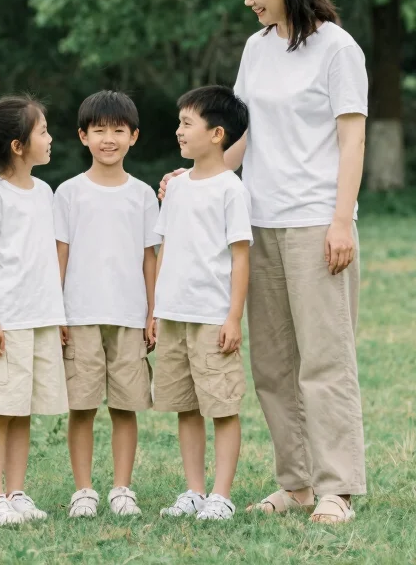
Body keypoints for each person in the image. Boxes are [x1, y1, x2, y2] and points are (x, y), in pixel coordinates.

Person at [160, 0, 368, 525]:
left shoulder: (338, 49)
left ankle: (336, 486)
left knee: (324, 360)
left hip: (315, 223)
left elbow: (352, 139)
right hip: (258, 221)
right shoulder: (256, 49)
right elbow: (244, 137)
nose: (249, 0)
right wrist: (198, 178)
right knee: (272, 365)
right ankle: (296, 482)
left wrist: (340, 221)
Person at [0, 96, 68, 526]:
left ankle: (16, 492)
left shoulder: (45, 192)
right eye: (43, 131)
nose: (50, 138)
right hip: (4, 324)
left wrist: (56, 318)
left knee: (23, 411)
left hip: (39, 321)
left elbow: (44, 260)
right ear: (19, 146)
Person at [54, 91, 159, 520]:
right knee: (81, 405)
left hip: (129, 316)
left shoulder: (143, 196)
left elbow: (150, 258)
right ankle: (83, 490)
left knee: (124, 404)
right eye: (99, 130)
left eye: (118, 130)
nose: (108, 139)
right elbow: (58, 254)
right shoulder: (68, 193)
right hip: (79, 314)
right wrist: (56, 311)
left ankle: (121, 488)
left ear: (134, 136)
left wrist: (153, 313)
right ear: (83, 136)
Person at [154, 85, 252, 522]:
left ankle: (220, 494)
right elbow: (165, 248)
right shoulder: (175, 187)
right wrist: (156, 311)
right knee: (186, 406)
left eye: (186, 124)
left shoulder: (231, 189)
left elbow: (240, 256)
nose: (178, 131)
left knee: (222, 407)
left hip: (213, 317)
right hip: (174, 315)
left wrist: (233, 317)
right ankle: (193, 491)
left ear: (217, 134)